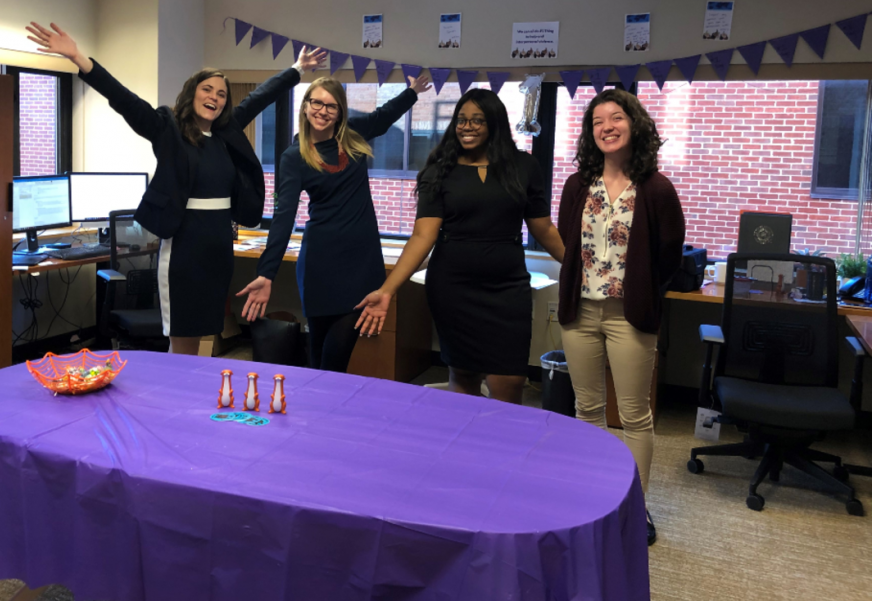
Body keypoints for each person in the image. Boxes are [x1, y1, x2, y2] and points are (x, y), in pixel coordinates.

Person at [26, 21, 325, 355]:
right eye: (207, 89)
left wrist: (298, 69)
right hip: (184, 247)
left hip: (219, 249)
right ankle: (173, 400)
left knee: (208, 334)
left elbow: (260, 97)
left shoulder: (227, 132)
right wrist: (79, 58)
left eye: (222, 94)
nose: (215, 97)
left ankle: (195, 400)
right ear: (192, 92)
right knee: (182, 339)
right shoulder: (168, 129)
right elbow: (125, 100)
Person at [355, 89, 564, 404]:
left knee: (509, 380)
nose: (467, 127)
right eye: (461, 120)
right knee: (463, 376)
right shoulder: (439, 170)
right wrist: (387, 291)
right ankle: (463, 450)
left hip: (507, 287)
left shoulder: (524, 166)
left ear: (494, 123)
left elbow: (542, 227)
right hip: (453, 287)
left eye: (477, 120)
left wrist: (578, 266)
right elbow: (423, 236)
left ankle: (501, 452)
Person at [555, 88, 685, 546]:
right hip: (580, 312)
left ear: (635, 125)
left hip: (629, 316)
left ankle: (635, 509)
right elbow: (570, 244)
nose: (606, 127)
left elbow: (670, 253)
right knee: (586, 409)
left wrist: (646, 289)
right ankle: (594, 500)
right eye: (597, 122)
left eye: (615, 118)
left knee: (633, 414)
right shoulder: (577, 185)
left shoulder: (656, 188)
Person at [237, 74, 432, 372]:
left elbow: (384, 116)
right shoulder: (294, 157)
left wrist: (412, 92)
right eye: (316, 102)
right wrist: (267, 273)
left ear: (340, 112)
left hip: (361, 263)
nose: (323, 110)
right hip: (320, 265)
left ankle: (326, 409)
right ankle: (317, 415)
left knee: (337, 355)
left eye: (332, 106)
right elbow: (283, 217)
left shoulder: (352, 134)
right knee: (319, 354)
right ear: (305, 106)